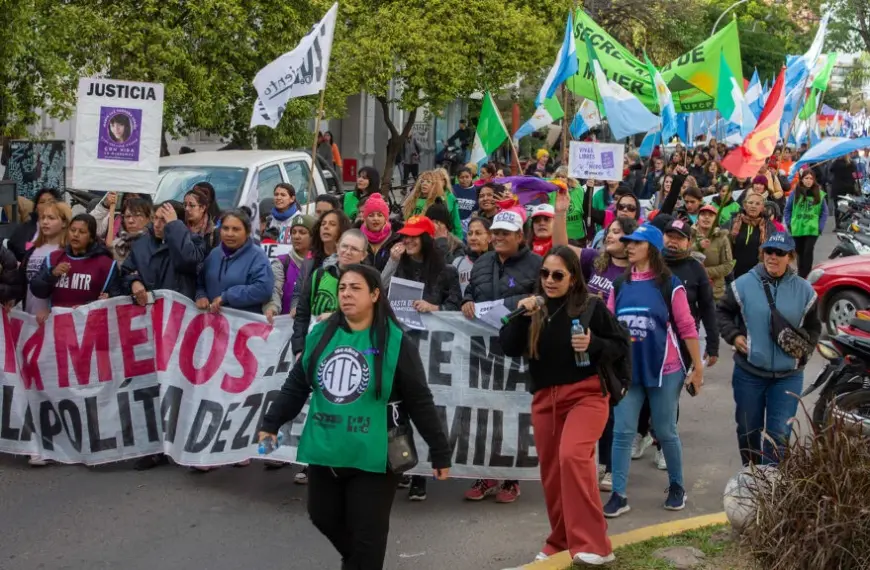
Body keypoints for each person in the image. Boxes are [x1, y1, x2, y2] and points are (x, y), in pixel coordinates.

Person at [259, 264, 450, 570]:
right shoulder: (321, 334)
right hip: (327, 448)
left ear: (375, 294)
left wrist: (440, 451)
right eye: (342, 288)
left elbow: (420, 400)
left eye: (355, 288)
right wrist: (271, 423)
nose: (346, 294)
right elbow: (297, 384)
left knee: (367, 537)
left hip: (376, 455)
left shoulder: (396, 343)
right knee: (323, 516)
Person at [500, 246, 627, 566]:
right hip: (545, 399)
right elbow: (509, 346)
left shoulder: (590, 307)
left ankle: (596, 545)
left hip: (586, 396)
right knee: (553, 474)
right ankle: (560, 540)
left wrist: (593, 344)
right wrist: (521, 315)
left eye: (558, 275)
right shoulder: (534, 308)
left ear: (573, 279)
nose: (549, 280)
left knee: (572, 458)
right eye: (544, 274)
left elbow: (621, 345)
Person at [603, 224, 703, 518]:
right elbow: (609, 327)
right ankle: (619, 495)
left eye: (636, 242)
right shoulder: (620, 285)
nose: (629, 246)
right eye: (628, 242)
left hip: (666, 370)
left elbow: (687, 327)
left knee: (665, 431)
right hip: (628, 372)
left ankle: (676, 487)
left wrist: (697, 368)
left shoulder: (670, 284)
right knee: (622, 432)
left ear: (652, 249)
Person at [717, 233, 822, 465]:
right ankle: (752, 473)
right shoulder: (742, 285)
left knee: (779, 436)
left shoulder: (805, 291)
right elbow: (722, 312)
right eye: (769, 251)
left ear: (790, 257)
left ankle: (770, 486)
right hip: (749, 373)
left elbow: (815, 326)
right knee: (747, 430)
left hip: (788, 378)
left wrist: (805, 350)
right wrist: (733, 336)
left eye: (780, 253)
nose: (773, 257)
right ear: (762, 253)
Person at [461, 207, 543, 503]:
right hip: (484, 351)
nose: (497, 237)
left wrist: (519, 303)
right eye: (495, 232)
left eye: (504, 233)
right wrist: (467, 301)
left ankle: (511, 478)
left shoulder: (536, 264)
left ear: (520, 236)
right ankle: (486, 475)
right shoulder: (482, 262)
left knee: (514, 413)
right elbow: (470, 290)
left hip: (519, 351)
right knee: (485, 412)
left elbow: (544, 297)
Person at [381, 216, 461, 502]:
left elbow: (456, 305)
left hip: (430, 350)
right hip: (399, 348)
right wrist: (390, 262)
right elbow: (376, 290)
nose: (408, 241)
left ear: (426, 238)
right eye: (405, 235)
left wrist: (434, 307)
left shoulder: (446, 270)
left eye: (414, 236)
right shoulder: (397, 263)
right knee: (398, 410)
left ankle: (421, 477)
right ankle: (403, 464)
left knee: (427, 411)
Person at [123, 201, 204, 471]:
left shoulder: (191, 242)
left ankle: (184, 442)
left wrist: (174, 229)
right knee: (153, 386)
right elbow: (126, 271)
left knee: (181, 386)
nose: (157, 224)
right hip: (148, 328)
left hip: (181, 328)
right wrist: (133, 281)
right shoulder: (142, 245)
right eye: (156, 219)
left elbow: (188, 262)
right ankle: (156, 446)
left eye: (164, 219)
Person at [292, 229, 369, 358]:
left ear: (363, 255)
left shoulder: (369, 282)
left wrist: (336, 316)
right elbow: (302, 315)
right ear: (337, 247)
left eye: (354, 249)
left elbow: (371, 318)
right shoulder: (319, 275)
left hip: (351, 353)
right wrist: (299, 349)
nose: (348, 252)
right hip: (315, 350)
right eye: (345, 246)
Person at [30, 213, 122, 318]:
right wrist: (52, 273)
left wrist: (106, 299)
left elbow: (118, 298)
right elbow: (37, 290)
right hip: (58, 325)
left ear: (91, 237)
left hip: (91, 325)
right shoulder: (53, 258)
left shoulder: (106, 264)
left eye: (82, 232)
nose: (76, 235)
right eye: (72, 230)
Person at [289, 209, 352, 332]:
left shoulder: (347, 262)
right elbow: (298, 293)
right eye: (323, 224)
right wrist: (295, 306)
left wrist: (335, 315)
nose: (326, 227)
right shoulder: (310, 261)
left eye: (332, 224)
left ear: (342, 230)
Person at [18, 201, 72, 318]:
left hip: (54, 318)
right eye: (42, 218)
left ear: (64, 223)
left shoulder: (68, 252)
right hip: (29, 317)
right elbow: (22, 284)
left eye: (51, 218)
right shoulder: (32, 251)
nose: (45, 222)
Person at [264, 214, 315, 321]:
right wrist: (272, 308)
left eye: (302, 232)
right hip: (284, 328)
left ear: (312, 236)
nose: (296, 236)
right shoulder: (281, 262)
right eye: (293, 232)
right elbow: (275, 290)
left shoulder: (320, 264)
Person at [784, 169, 828, 278]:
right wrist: (789, 223)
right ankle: (800, 273)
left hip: (812, 229)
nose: (809, 181)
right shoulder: (795, 193)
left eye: (811, 178)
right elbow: (787, 209)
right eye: (806, 178)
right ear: (802, 179)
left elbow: (824, 212)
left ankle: (806, 275)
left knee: (808, 250)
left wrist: (820, 226)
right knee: (799, 251)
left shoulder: (819, 193)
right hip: (797, 228)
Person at [722, 192, 777, 280]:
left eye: (757, 204)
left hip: (758, 273)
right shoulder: (732, 223)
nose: (753, 206)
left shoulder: (769, 227)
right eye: (750, 203)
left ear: (762, 208)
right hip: (734, 272)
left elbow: (774, 251)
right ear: (744, 205)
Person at [691, 204, 734, 301]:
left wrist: (705, 272)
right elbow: (681, 256)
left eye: (711, 215)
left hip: (714, 292)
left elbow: (728, 265)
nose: (706, 217)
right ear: (697, 218)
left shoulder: (722, 238)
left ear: (716, 220)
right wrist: (696, 246)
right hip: (691, 288)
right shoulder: (689, 234)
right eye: (703, 214)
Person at [8, 187, 63, 262]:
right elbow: (14, 251)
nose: (47, 204)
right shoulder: (23, 230)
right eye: (42, 202)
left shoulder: (67, 229)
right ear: (36, 208)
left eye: (51, 202)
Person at [403, 171, 462, 239]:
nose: (424, 184)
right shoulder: (413, 200)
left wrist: (458, 239)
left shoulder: (438, 203)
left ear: (434, 185)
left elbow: (452, 223)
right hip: (410, 234)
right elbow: (407, 218)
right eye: (422, 181)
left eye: (428, 181)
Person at [360, 193, 401, 271]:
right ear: (365, 218)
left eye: (379, 215)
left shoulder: (397, 239)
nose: (375, 218)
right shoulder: (357, 238)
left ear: (386, 218)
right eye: (371, 215)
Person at [452, 217, 492, 296]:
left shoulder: (497, 262)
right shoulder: (458, 263)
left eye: (478, 233)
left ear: (490, 237)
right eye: (470, 233)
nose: (473, 238)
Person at [551, 167, 587, 244]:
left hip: (577, 236)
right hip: (558, 235)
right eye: (558, 176)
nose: (560, 179)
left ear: (568, 179)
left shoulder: (578, 190)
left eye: (563, 177)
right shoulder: (551, 191)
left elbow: (584, 208)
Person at [184, 188, 219, 253]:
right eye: (185, 205)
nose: (187, 209)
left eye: (192, 205)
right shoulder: (180, 227)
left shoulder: (213, 232)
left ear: (202, 208)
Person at [452, 167, 478, 234]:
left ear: (471, 176)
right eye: (462, 177)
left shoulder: (477, 190)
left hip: (470, 226)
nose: (464, 180)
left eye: (467, 177)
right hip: (454, 224)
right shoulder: (453, 189)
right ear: (458, 178)